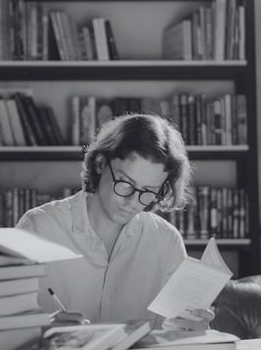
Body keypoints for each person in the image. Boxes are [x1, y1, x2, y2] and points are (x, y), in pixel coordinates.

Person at [16, 113, 214, 330]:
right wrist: (42, 326)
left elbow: (176, 334)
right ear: (101, 164)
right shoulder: (38, 228)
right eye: (125, 183)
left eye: (148, 191)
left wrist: (192, 331)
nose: (131, 201)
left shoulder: (166, 242)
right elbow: (1, 330)